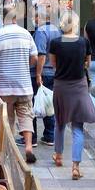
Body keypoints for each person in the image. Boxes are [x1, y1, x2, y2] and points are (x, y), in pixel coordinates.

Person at [46, 11, 95, 178]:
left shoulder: (55, 43)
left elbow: (53, 64)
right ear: (76, 24)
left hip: (61, 86)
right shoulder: (83, 43)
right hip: (79, 86)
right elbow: (88, 64)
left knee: (60, 122)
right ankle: (76, 166)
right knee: (78, 126)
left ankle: (59, 155)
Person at [0, 5, 39, 163]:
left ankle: (8, 150)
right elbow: (35, 58)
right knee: (26, 115)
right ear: (16, 18)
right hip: (24, 84)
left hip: (4, 85)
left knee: (7, 118)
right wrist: (24, 66)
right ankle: (28, 147)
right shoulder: (26, 34)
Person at [33, 13, 62, 146]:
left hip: (44, 72)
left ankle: (31, 137)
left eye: (36, 17)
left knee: (34, 103)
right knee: (49, 103)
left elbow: (41, 55)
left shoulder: (41, 31)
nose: (35, 20)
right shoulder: (58, 30)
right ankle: (50, 135)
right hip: (55, 71)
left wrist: (38, 74)